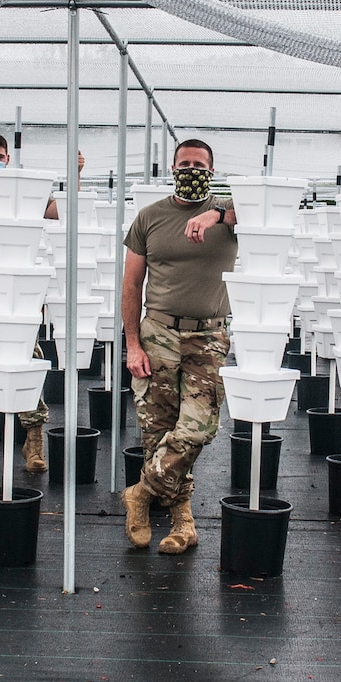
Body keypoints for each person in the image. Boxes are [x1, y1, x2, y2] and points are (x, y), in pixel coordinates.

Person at [121, 138, 237, 555]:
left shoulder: (229, 213)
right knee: (158, 430)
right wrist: (132, 344)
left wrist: (217, 215)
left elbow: (273, 213)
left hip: (209, 336)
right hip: (159, 334)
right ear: (172, 169)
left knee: (198, 427)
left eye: (200, 165)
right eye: (184, 163)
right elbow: (131, 284)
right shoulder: (149, 217)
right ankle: (181, 521)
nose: (192, 170)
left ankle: (140, 492)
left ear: (211, 170)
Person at [0, 134, 83, 472]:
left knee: (28, 360)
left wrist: (75, 177)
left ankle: (33, 437)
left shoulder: (21, 196)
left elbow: (60, 210)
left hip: (20, 295)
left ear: (8, 159)